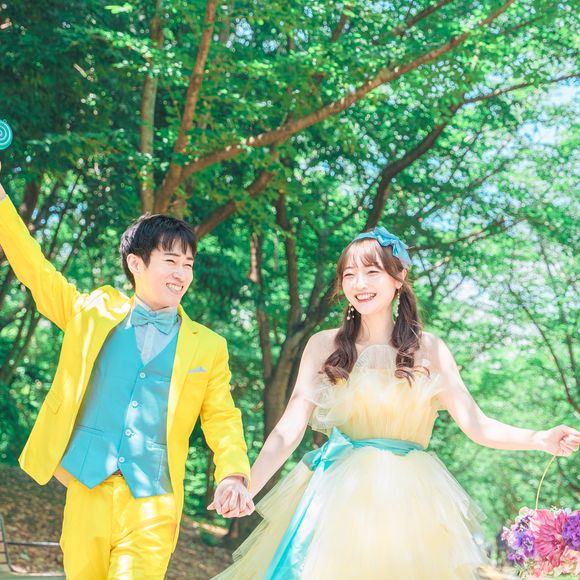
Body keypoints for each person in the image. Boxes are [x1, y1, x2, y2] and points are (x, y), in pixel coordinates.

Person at [213, 226, 580, 580]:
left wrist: (540, 438)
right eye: (349, 275)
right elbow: (289, 428)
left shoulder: (430, 350)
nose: (359, 284)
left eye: (372, 272)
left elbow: (477, 424)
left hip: (409, 501)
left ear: (399, 277)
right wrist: (247, 485)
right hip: (336, 498)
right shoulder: (324, 346)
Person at [0, 161, 254, 579]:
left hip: (154, 501)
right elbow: (36, 271)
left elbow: (222, 418)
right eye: (171, 261)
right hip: (86, 486)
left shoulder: (209, 346)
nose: (182, 274)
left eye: (188, 264)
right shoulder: (92, 312)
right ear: (136, 264)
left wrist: (233, 473)